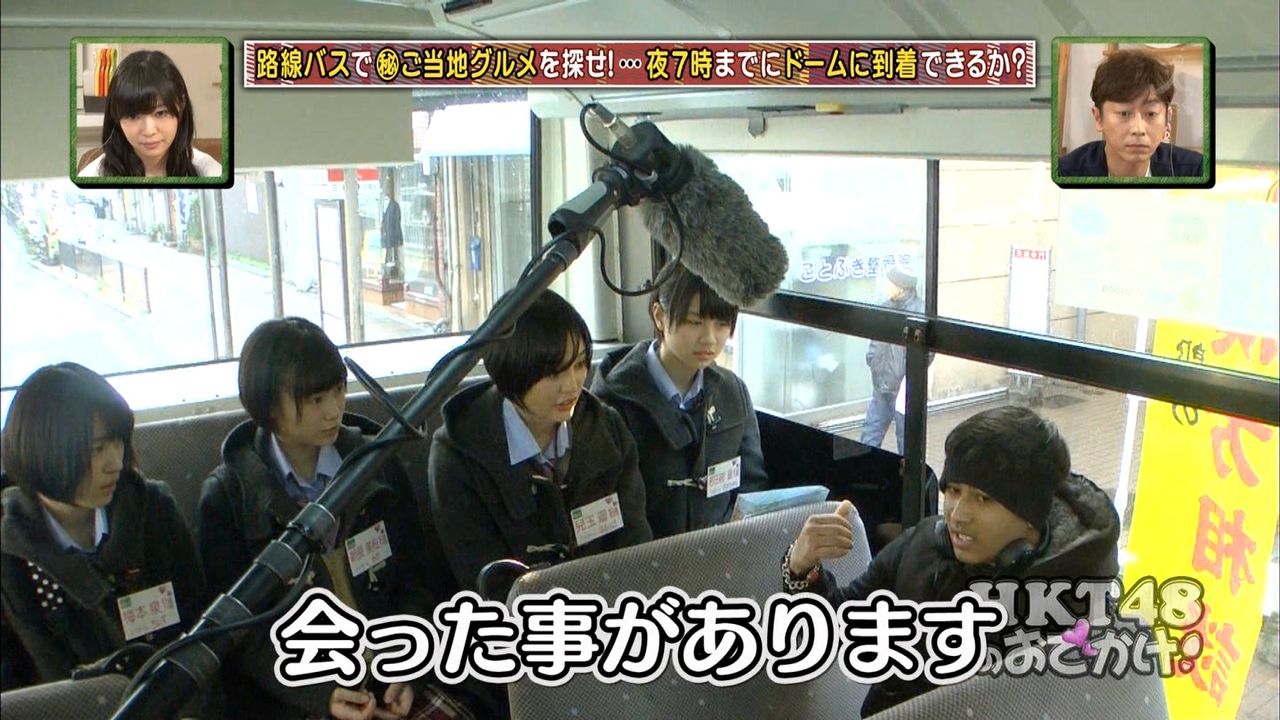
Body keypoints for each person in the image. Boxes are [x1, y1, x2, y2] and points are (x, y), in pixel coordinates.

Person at [198, 318, 473, 720]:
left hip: (387, 673)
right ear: (268, 405)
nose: (334, 410)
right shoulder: (229, 497)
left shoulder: (376, 465)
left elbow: (417, 581)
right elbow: (240, 636)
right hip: (298, 697)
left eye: (338, 390)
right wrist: (322, 694)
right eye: (314, 400)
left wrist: (408, 668)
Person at [782, 406, 1120, 716]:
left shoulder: (1073, 598)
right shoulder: (924, 544)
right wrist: (802, 566)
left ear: (1031, 515)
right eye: (954, 491)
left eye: (983, 499)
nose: (957, 515)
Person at [430, 289, 652, 595]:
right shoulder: (458, 455)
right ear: (510, 370)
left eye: (579, 364)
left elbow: (637, 550)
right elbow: (486, 584)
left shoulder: (606, 428)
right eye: (553, 373)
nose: (572, 385)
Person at [0, 364, 206, 687]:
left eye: (118, 442)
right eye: (97, 449)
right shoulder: (12, 554)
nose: (116, 463)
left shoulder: (153, 511)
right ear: (45, 452)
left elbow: (200, 626)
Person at [591, 263, 768, 538]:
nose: (709, 339)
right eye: (695, 322)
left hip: (723, 554)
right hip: (644, 561)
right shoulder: (614, 402)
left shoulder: (732, 392)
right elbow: (608, 514)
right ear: (659, 316)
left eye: (722, 324)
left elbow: (752, 488)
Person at [1058, 48, 1204, 178]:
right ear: (1098, 118)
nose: (1138, 129)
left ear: (1167, 119)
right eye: (1124, 114)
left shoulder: (1195, 171)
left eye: (1151, 114)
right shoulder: (1065, 173)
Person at [80, 49, 222, 178]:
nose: (149, 131)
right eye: (133, 116)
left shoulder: (209, 172)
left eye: (161, 113)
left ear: (181, 106)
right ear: (116, 116)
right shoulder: (92, 177)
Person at [861, 266, 923, 453]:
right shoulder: (885, 307)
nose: (887, 287)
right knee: (869, 437)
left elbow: (926, 353)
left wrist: (907, 374)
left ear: (901, 287)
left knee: (906, 443)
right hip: (881, 387)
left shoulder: (919, 311)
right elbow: (875, 339)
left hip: (903, 390)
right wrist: (872, 360)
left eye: (891, 283)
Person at [380, 179, 404, 279]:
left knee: (394, 254)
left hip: (393, 236)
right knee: (388, 254)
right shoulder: (383, 205)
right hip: (387, 236)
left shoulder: (394, 206)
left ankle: (394, 271)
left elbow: (397, 222)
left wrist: (398, 238)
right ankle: (389, 270)